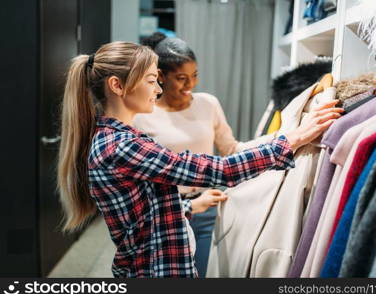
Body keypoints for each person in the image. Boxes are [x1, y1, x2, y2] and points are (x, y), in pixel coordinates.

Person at [57, 41, 342, 278]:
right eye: (150, 81)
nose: (157, 89)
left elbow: (146, 210)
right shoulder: (121, 145)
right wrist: (291, 139)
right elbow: (217, 168)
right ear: (118, 86)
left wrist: (190, 205)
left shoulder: (120, 138)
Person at [132, 33, 276, 276]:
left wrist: (279, 139)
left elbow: (231, 149)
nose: (190, 85)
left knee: (203, 273)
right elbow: (140, 180)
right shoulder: (141, 116)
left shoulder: (208, 104)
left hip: (208, 207)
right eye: (181, 78)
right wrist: (187, 205)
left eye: (195, 75)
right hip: (166, 212)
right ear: (161, 77)